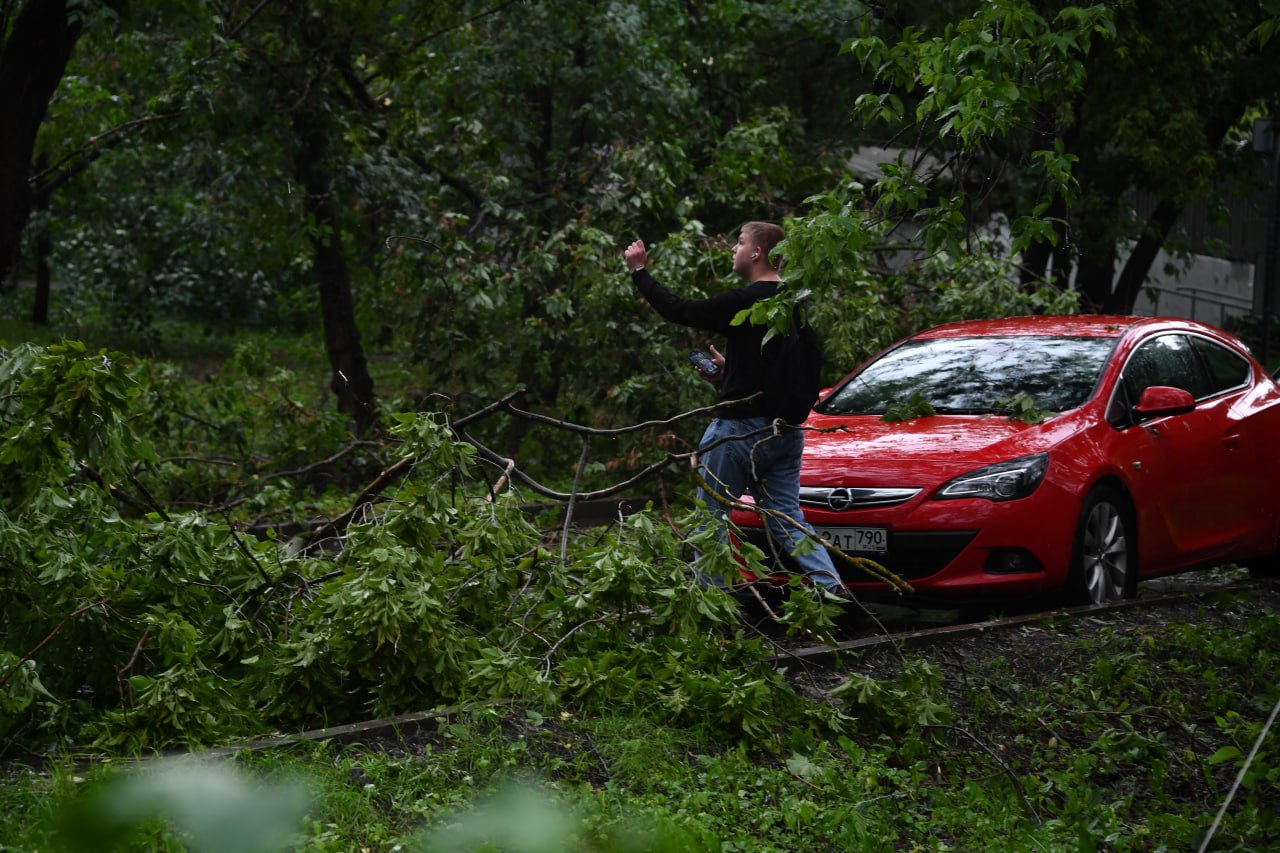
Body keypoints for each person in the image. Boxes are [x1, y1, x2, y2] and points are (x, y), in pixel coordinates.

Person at [623, 222, 849, 598]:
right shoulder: (794, 301)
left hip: (739, 432)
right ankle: (832, 589)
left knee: (709, 519)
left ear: (757, 253)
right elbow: (791, 363)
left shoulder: (747, 299)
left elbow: (679, 310)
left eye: (740, 242)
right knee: (788, 520)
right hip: (786, 433)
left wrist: (639, 271)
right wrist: (733, 372)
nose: (734, 249)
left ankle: (709, 610)